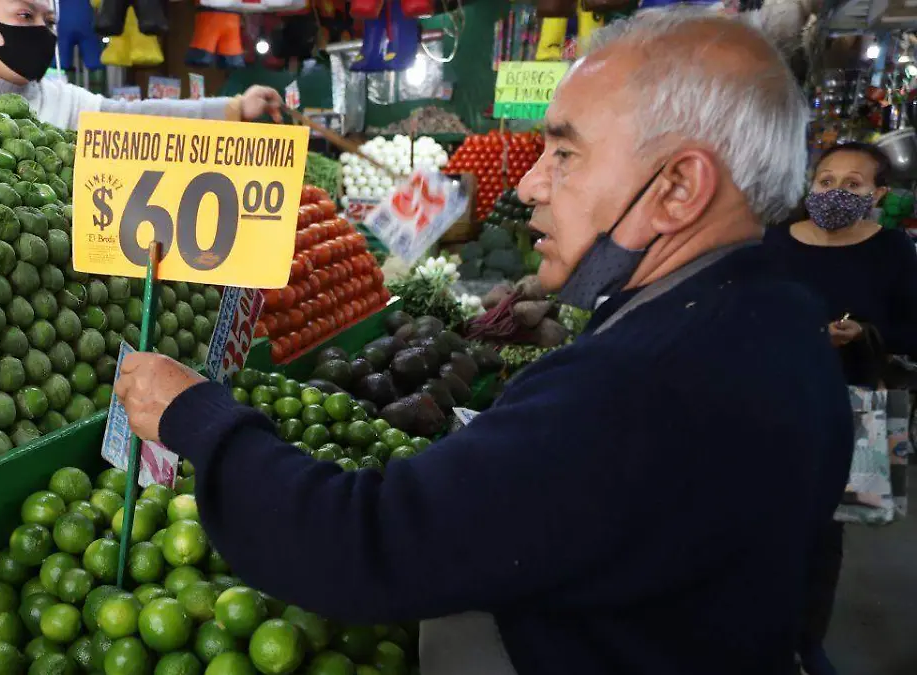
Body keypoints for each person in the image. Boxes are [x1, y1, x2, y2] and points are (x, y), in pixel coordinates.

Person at [114, 8, 853, 675]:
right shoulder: (787, 320)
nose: (530, 184)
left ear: (680, 187)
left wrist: (197, 416)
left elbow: (362, 547)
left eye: (564, 155)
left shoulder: (636, 388)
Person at [765, 142, 917, 675]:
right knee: (759, 521)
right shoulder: (775, 243)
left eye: (852, 185)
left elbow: (912, 329)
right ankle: (752, 635)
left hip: (853, 405)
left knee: (825, 535)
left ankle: (806, 643)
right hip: (771, 400)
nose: (834, 193)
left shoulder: (894, 250)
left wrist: (866, 334)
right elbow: (746, 312)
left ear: (877, 195)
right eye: (826, 180)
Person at [0, 0, 282, 130]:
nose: (41, 29)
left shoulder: (60, 102)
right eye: (25, 16)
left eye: (49, 20)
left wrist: (236, 106)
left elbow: (138, 118)